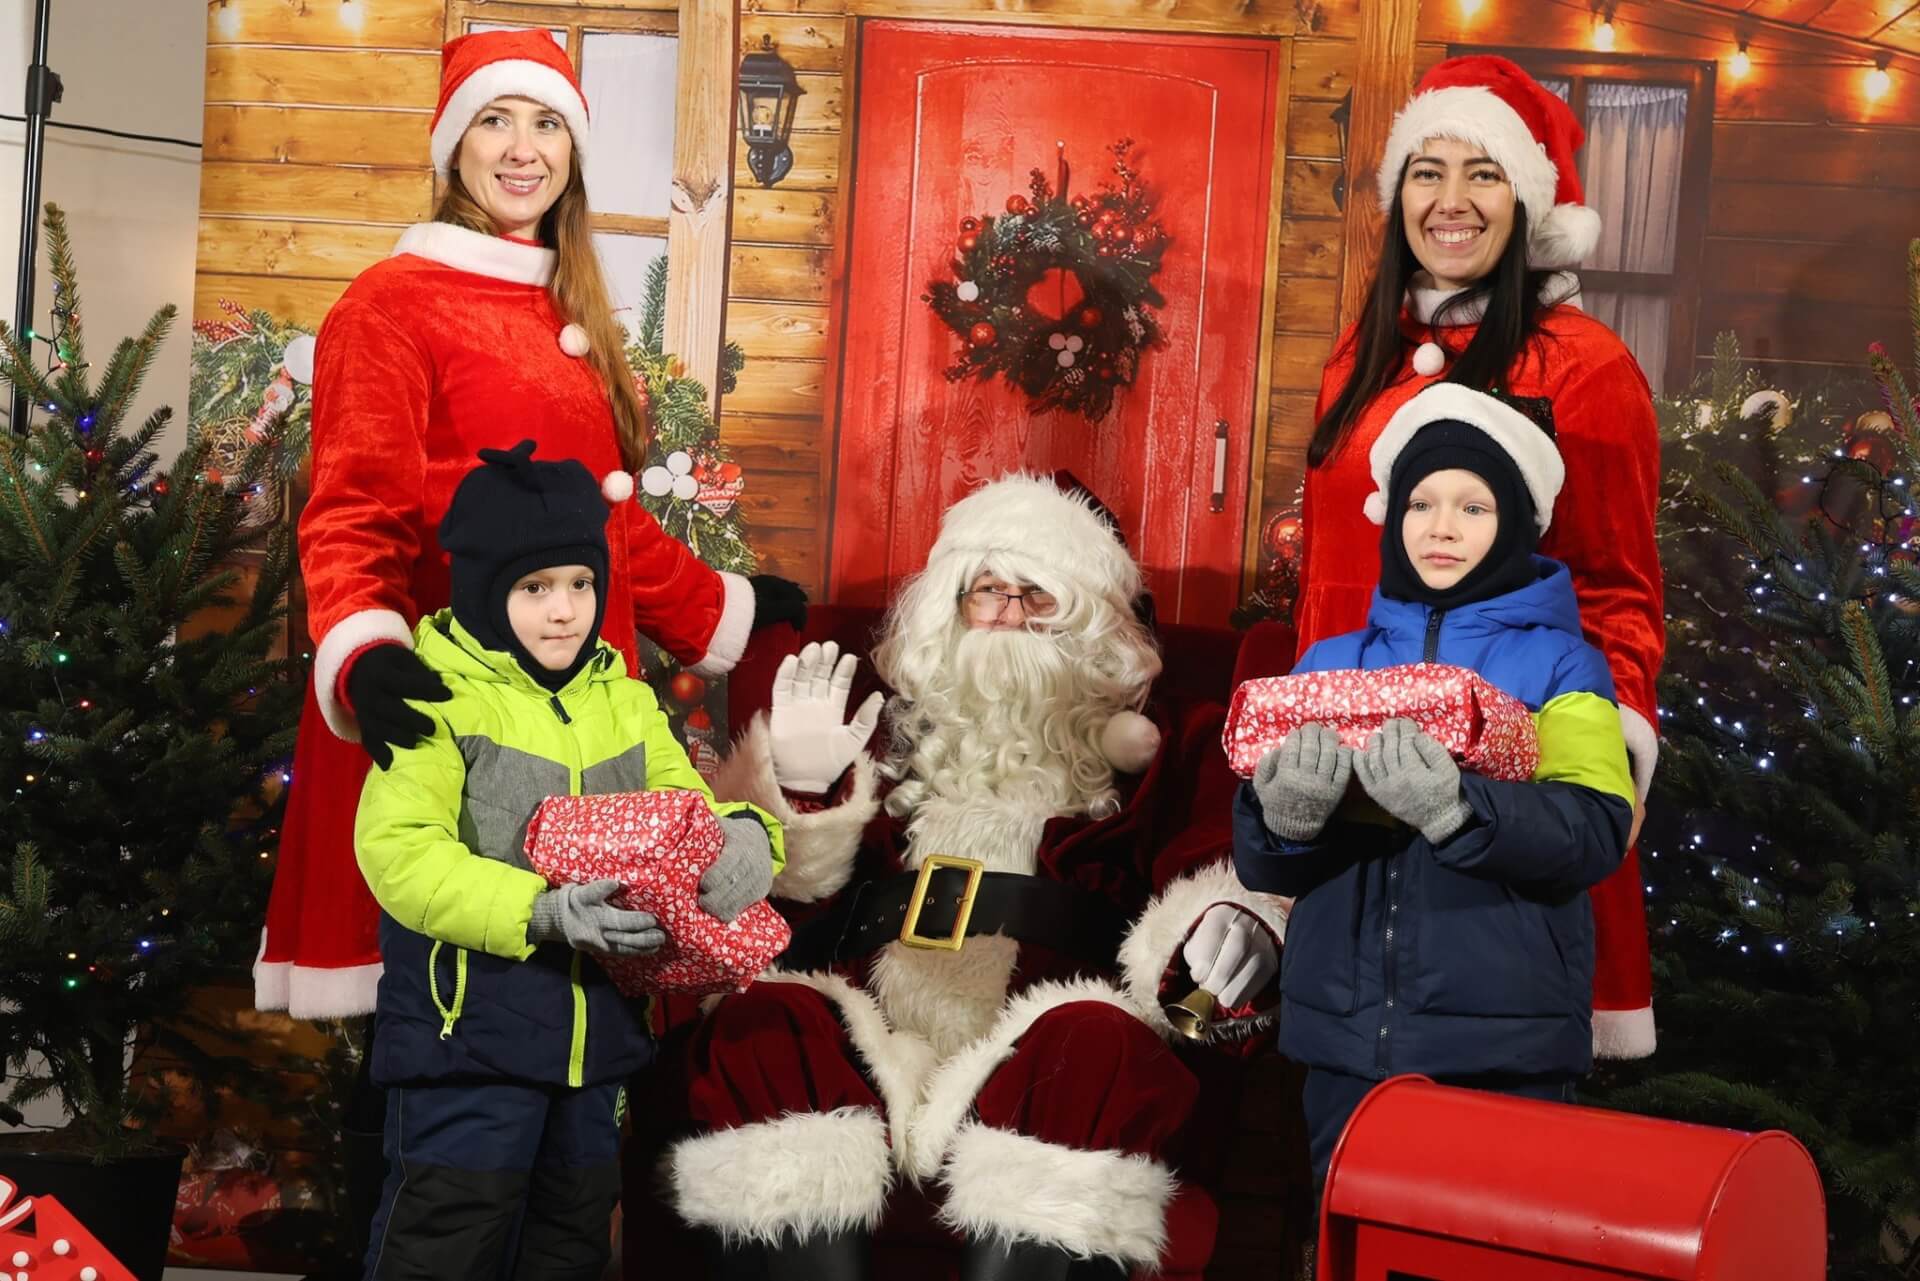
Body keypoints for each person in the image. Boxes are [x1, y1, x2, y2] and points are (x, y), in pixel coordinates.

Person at [256, 28, 807, 1021]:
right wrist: (364, 656)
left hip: (578, 715)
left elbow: (603, 528)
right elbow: (352, 511)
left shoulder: (577, 309)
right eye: (496, 120)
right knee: (441, 1014)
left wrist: (722, 607)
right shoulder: (389, 307)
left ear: (574, 148)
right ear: (454, 147)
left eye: (547, 122)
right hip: (451, 706)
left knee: (561, 1021)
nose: (523, 149)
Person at [665, 474, 1289, 1280]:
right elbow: (786, 916)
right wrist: (805, 793)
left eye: (1037, 595)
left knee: (1096, 1039)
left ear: (1091, 623)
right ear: (948, 613)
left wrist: (1227, 919)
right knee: (771, 1015)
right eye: (986, 592)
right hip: (881, 1042)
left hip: (1039, 1047)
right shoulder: (882, 736)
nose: (1007, 614)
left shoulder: (1167, 746)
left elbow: (1214, 863)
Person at [1295, 53, 1662, 1058]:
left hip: (1493, 792)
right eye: (1427, 169)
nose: (1449, 201)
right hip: (1345, 780)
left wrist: (1588, 770)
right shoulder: (1355, 356)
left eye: (1483, 173)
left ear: (1527, 201)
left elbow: (1621, 594)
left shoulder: (1582, 367)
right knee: (1341, 1066)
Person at [354, 441, 783, 1280]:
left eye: (581, 584)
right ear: (485, 591)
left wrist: (750, 840)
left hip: (596, 1050)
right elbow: (399, 853)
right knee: (447, 1244)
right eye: (534, 588)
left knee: (570, 1245)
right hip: (467, 1046)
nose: (565, 612)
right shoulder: (436, 697)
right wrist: (537, 911)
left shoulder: (621, 697)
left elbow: (690, 805)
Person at [1233, 381, 1636, 1190]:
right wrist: (1286, 819)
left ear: (1515, 522)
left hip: (1502, 1047)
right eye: (1421, 503)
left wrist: (1458, 810)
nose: (1442, 527)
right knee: (1351, 1246)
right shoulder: (1328, 664)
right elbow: (1264, 859)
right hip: (1342, 1046)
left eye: (1473, 507)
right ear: (1393, 516)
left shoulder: (1565, 665)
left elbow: (1595, 829)